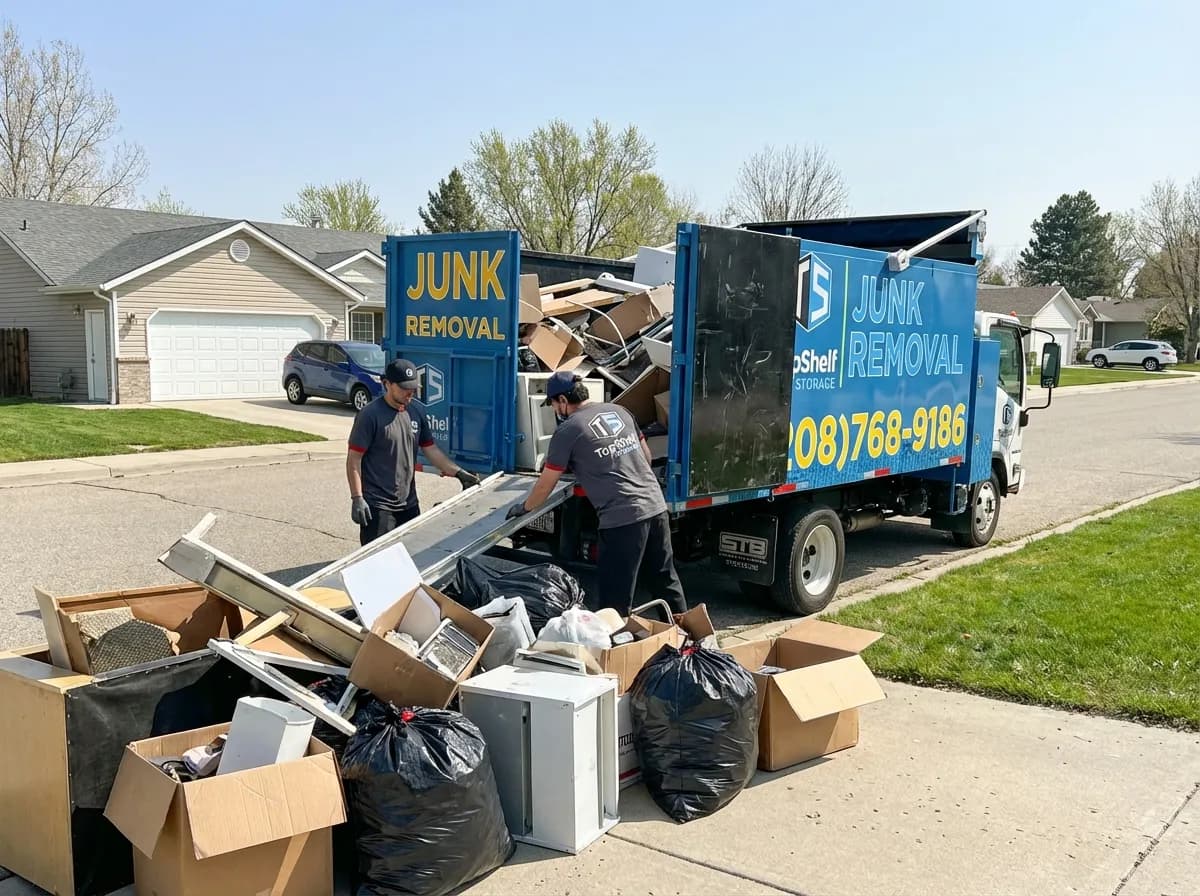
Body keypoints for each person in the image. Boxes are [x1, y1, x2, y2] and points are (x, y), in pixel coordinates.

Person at [506, 370, 687, 616]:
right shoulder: (620, 412)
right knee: (665, 580)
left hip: (622, 519)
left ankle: (617, 651)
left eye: (554, 405)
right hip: (655, 507)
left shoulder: (569, 430)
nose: (556, 412)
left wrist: (525, 508)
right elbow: (645, 456)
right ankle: (689, 641)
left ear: (562, 400)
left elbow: (545, 485)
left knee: (616, 598)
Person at [347, 358, 481, 545]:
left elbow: (431, 449)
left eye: (413, 388)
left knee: (411, 556)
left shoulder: (416, 411)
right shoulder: (369, 415)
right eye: (404, 388)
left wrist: (458, 473)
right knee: (378, 564)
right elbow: (354, 459)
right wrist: (357, 498)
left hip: (408, 503)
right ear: (387, 384)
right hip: (379, 506)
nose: (410, 393)